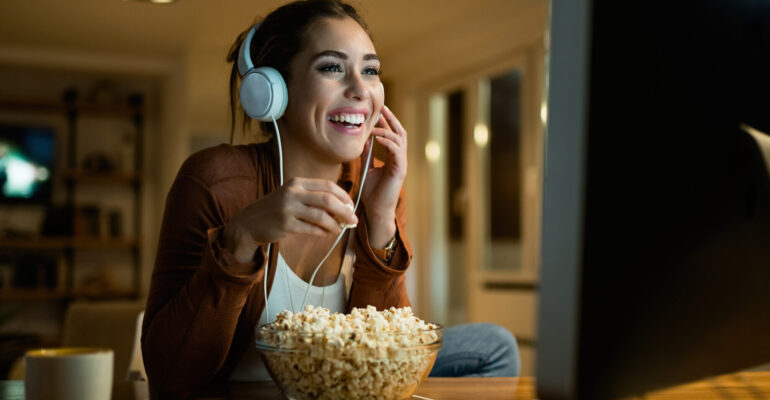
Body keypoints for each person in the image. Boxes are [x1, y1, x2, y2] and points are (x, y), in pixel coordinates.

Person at [141, 0, 519, 397]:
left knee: (494, 345)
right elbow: (171, 377)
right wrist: (241, 238)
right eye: (331, 67)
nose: (360, 90)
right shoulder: (215, 180)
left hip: (346, 385)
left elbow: (384, 358)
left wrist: (381, 225)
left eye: (370, 71)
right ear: (273, 89)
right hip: (251, 390)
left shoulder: (375, 188)